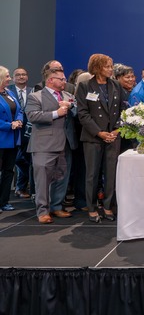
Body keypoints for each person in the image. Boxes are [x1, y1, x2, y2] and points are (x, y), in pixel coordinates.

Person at [76, 54, 128, 222]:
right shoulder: (85, 86)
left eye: (111, 66)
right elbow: (82, 114)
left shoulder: (116, 85)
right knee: (92, 175)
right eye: (107, 66)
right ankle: (91, 208)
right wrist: (99, 132)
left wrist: (117, 130)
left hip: (113, 137)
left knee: (111, 174)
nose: (111, 69)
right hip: (93, 137)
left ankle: (107, 207)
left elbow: (124, 110)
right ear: (97, 68)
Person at [26, 67, 76, 223]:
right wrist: (56, 113)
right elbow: (32, 115)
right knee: (42, 180)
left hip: (65, 143)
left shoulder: (68, 95)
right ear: (50, 80)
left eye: (64, 78)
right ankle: (42, 211)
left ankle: (56, 207)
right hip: (44, 144)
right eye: (61, 79)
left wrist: (71, 107)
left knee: (61, 177)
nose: (64, 81)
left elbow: (78, 113)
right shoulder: (36, 96)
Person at [0, 67, 24, 211]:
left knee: (9, 171)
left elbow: (19, 110)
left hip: (13, 139)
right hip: (2, 137)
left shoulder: (9, 93)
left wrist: (19, 121)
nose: (10, 78)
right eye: (7, 76)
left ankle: (4, 201)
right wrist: (9, 125)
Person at [8, 67, 33, 199]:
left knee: (25, 158)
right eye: (18, 75)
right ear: (13, 78)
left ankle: (21, 187)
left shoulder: (33, 91)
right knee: (16, 159)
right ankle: (23, 183)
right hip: (11, 129)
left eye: (24, 74)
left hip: (28, 131)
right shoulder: (8, 91)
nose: (21, 77)